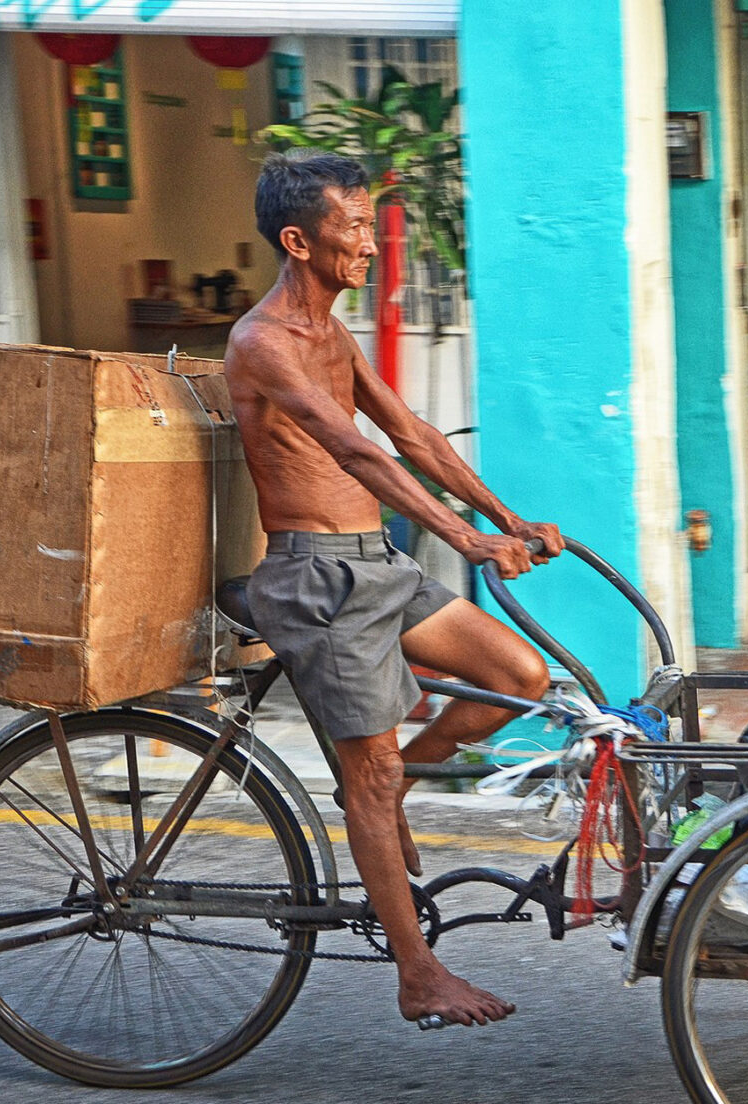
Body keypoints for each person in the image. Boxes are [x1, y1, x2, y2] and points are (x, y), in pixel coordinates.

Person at [225, 151, 561, 1029]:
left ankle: (391, 790)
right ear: (299, 241)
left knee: (521, 679)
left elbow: (411, 434)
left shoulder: (332, 335)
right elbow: (354, 452)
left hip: (377, 563)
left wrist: (507, 517)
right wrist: (466, 540)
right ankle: (418, 974)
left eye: (370, 226)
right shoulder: (262, 342)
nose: (370, 244)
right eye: (354, 227)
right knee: (367, 772)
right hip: (315, 577)